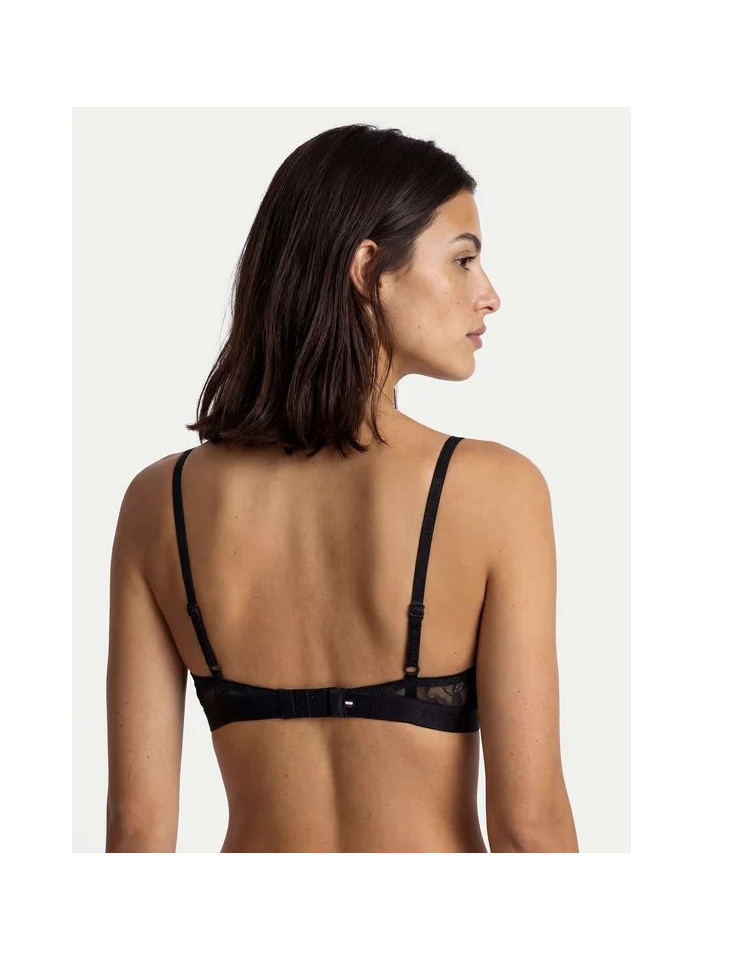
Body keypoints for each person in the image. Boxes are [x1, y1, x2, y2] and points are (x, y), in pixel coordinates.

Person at [105, 123, 578, 853]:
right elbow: (529, 828)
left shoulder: (158, 503)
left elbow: (137, 833)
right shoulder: (495, 491)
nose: (489, 295)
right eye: (463, 260)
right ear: (368, 269)